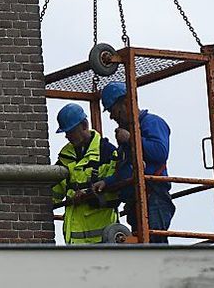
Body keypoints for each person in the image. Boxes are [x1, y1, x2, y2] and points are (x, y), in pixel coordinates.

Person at [98, 81, 174, 243]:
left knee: (153, 245)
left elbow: (160, 152)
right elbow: (127, 169)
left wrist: (131, 139)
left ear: (126, 103)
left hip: (153, 197)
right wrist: (107, 182)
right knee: (143, 247)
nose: (112, 116)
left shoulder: (152, 123)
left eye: (113, 110)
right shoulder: (129, 132)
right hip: (136, 200)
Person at [51, 102, 120, 244]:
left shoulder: (107, 153)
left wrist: (87, 194)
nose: (67, 136)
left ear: (84, 125)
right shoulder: (66, 156)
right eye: (66, 132)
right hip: (75, 243)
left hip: (102, 239)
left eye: (70, 131)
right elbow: (54, 194)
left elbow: (116, 192)